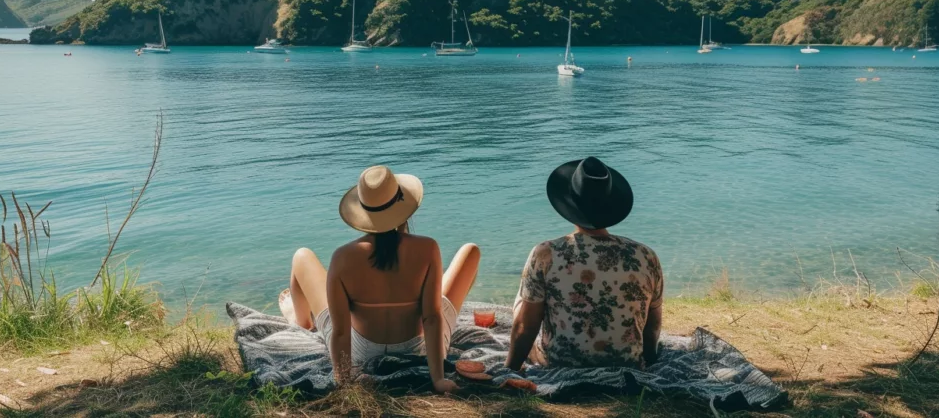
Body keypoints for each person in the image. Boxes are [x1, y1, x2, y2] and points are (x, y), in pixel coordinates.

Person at [281, 165, 480, 393]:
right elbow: (432, 318)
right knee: (470, 251)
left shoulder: (343, 257)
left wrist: (343, 380)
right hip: (419, 351)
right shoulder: (427, 248)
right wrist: (438, 379)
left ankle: (302, 323)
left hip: (362, 352)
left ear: (363, 212)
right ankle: (301, 322)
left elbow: (340, 331)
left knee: (301, 256)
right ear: (404, 207)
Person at [505, 156, 663, 371]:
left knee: (523, 301)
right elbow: (652, 324)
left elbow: (526, 326)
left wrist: (509, 370)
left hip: (560, 364)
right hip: (625, 364)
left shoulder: (546, 253)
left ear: (570, 203)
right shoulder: (645, 255)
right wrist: (650, 361)